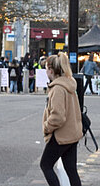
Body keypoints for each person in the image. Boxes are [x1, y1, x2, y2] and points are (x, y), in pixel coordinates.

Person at [39, 52, 82, 186]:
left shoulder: (57, 88)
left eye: (46, 69)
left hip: (60, 136)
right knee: (71, 170)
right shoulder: (69, 84)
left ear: (51, 70)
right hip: (72, 134)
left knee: (45, 165)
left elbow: (58, 116)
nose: (46, 71)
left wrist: (46, 126)